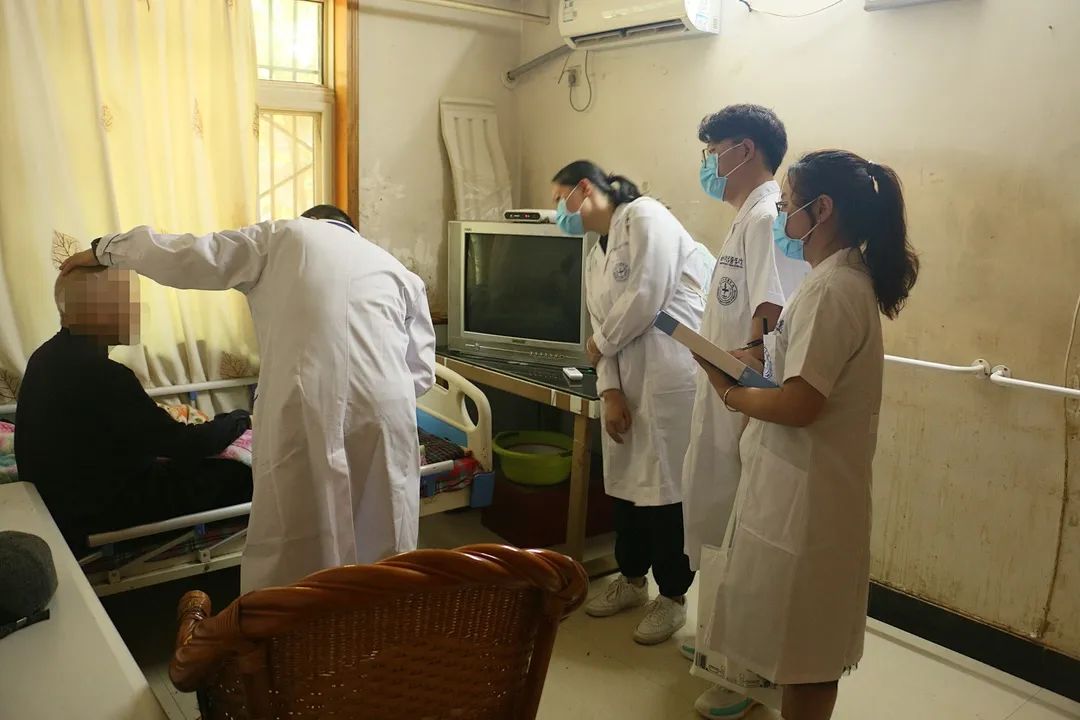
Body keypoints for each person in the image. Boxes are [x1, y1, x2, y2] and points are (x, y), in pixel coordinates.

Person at [60, 205, 437, 591]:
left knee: (297, 534)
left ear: (308, 220)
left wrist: (108, 249)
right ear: (351, 229)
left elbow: (191, 255)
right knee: (383, 530)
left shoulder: (283, 236)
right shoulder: (399, 273)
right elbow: (421, 374)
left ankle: (297, 620)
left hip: (305, 400)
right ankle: (379, 619)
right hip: (388, 408)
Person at [694, 150, 919, 720]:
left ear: (823, 210)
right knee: (798, 647)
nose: (782, 219)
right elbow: (797, 369)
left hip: (811, 500)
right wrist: (752, 359)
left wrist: (728, 391)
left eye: (789, 206)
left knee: (809, 658)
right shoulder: (830, 281)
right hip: (797, 489)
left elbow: (800, 403)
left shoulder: (833, 289)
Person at [551, 160, 716, 645]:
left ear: (585, 188)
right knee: (625, 488)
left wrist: (600, 345)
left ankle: (673, 597)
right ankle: (631, 579)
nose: (558, 211)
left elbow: (647, 296)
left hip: (669, 377)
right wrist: (609, 390)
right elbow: (600, 330)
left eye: (560, 198)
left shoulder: (645, 217)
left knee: (666, 492)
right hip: (625, 381)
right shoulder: (593, 256)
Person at [682, 104, 809, 719]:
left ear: (745, 150)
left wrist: (746, 390)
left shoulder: (766, 217)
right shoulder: (746, 218)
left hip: (746, 404)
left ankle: (746, 673)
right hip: (726, 396)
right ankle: (719, 644)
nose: (708, 163)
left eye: (714, 151)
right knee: (716, 520)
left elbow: (771, 315)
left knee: (743, 532)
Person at [16, 268, 252, 550]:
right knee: (240, 475)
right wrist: (239, 419)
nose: (135, 311)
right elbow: (188, 444)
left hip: (63, 503)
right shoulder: (102, 374)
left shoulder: (45, 357)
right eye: (124, 302)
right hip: (97, 513)